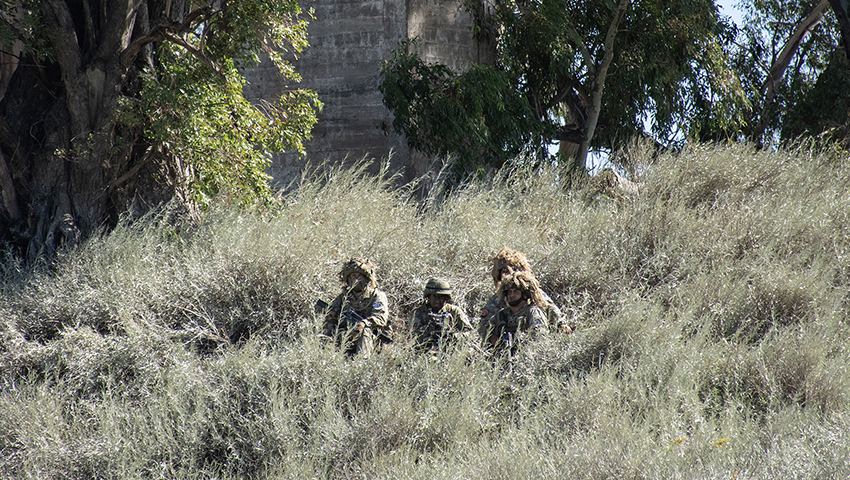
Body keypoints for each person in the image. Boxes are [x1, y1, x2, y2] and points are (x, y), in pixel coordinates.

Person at [477, 247, 570, 342]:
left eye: (509, 271)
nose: (506, 275)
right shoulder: (496, 299)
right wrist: (494, 339)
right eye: (503, 272)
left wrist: (561, 324)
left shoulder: (532, 292)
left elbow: (550, 308)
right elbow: (483, 325)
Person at [322, 257, 390, 358]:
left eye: (360, 276)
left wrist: (363, 324)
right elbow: (330, 314)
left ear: (367, 278)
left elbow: (381, 317)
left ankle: (362, 363)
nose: (356, 280)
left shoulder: (376, 296)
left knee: (365, 331)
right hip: (346, 335)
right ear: (348, 279)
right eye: (353, 276)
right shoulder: (343, 297)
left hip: (372, 338)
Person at [485, 271, 549, 358]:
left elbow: (540, 338)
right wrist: (493, 339)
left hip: (527, 358)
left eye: (515, 291)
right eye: (509, 292)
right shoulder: (502, 314)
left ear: (525, 295)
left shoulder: (532, 312)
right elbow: (487, 332)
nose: (511, 295)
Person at [409, 278, 474, 356]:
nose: (437, 301)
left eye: (441, 297)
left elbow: (470, 333)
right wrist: (428, 329)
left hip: (450, 350)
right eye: (434, 297)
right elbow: (413, 334)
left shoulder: (454, 311)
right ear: (428, 296)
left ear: (446, 298)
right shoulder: (417, 312)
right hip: (425, 351)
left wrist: (452, 334)